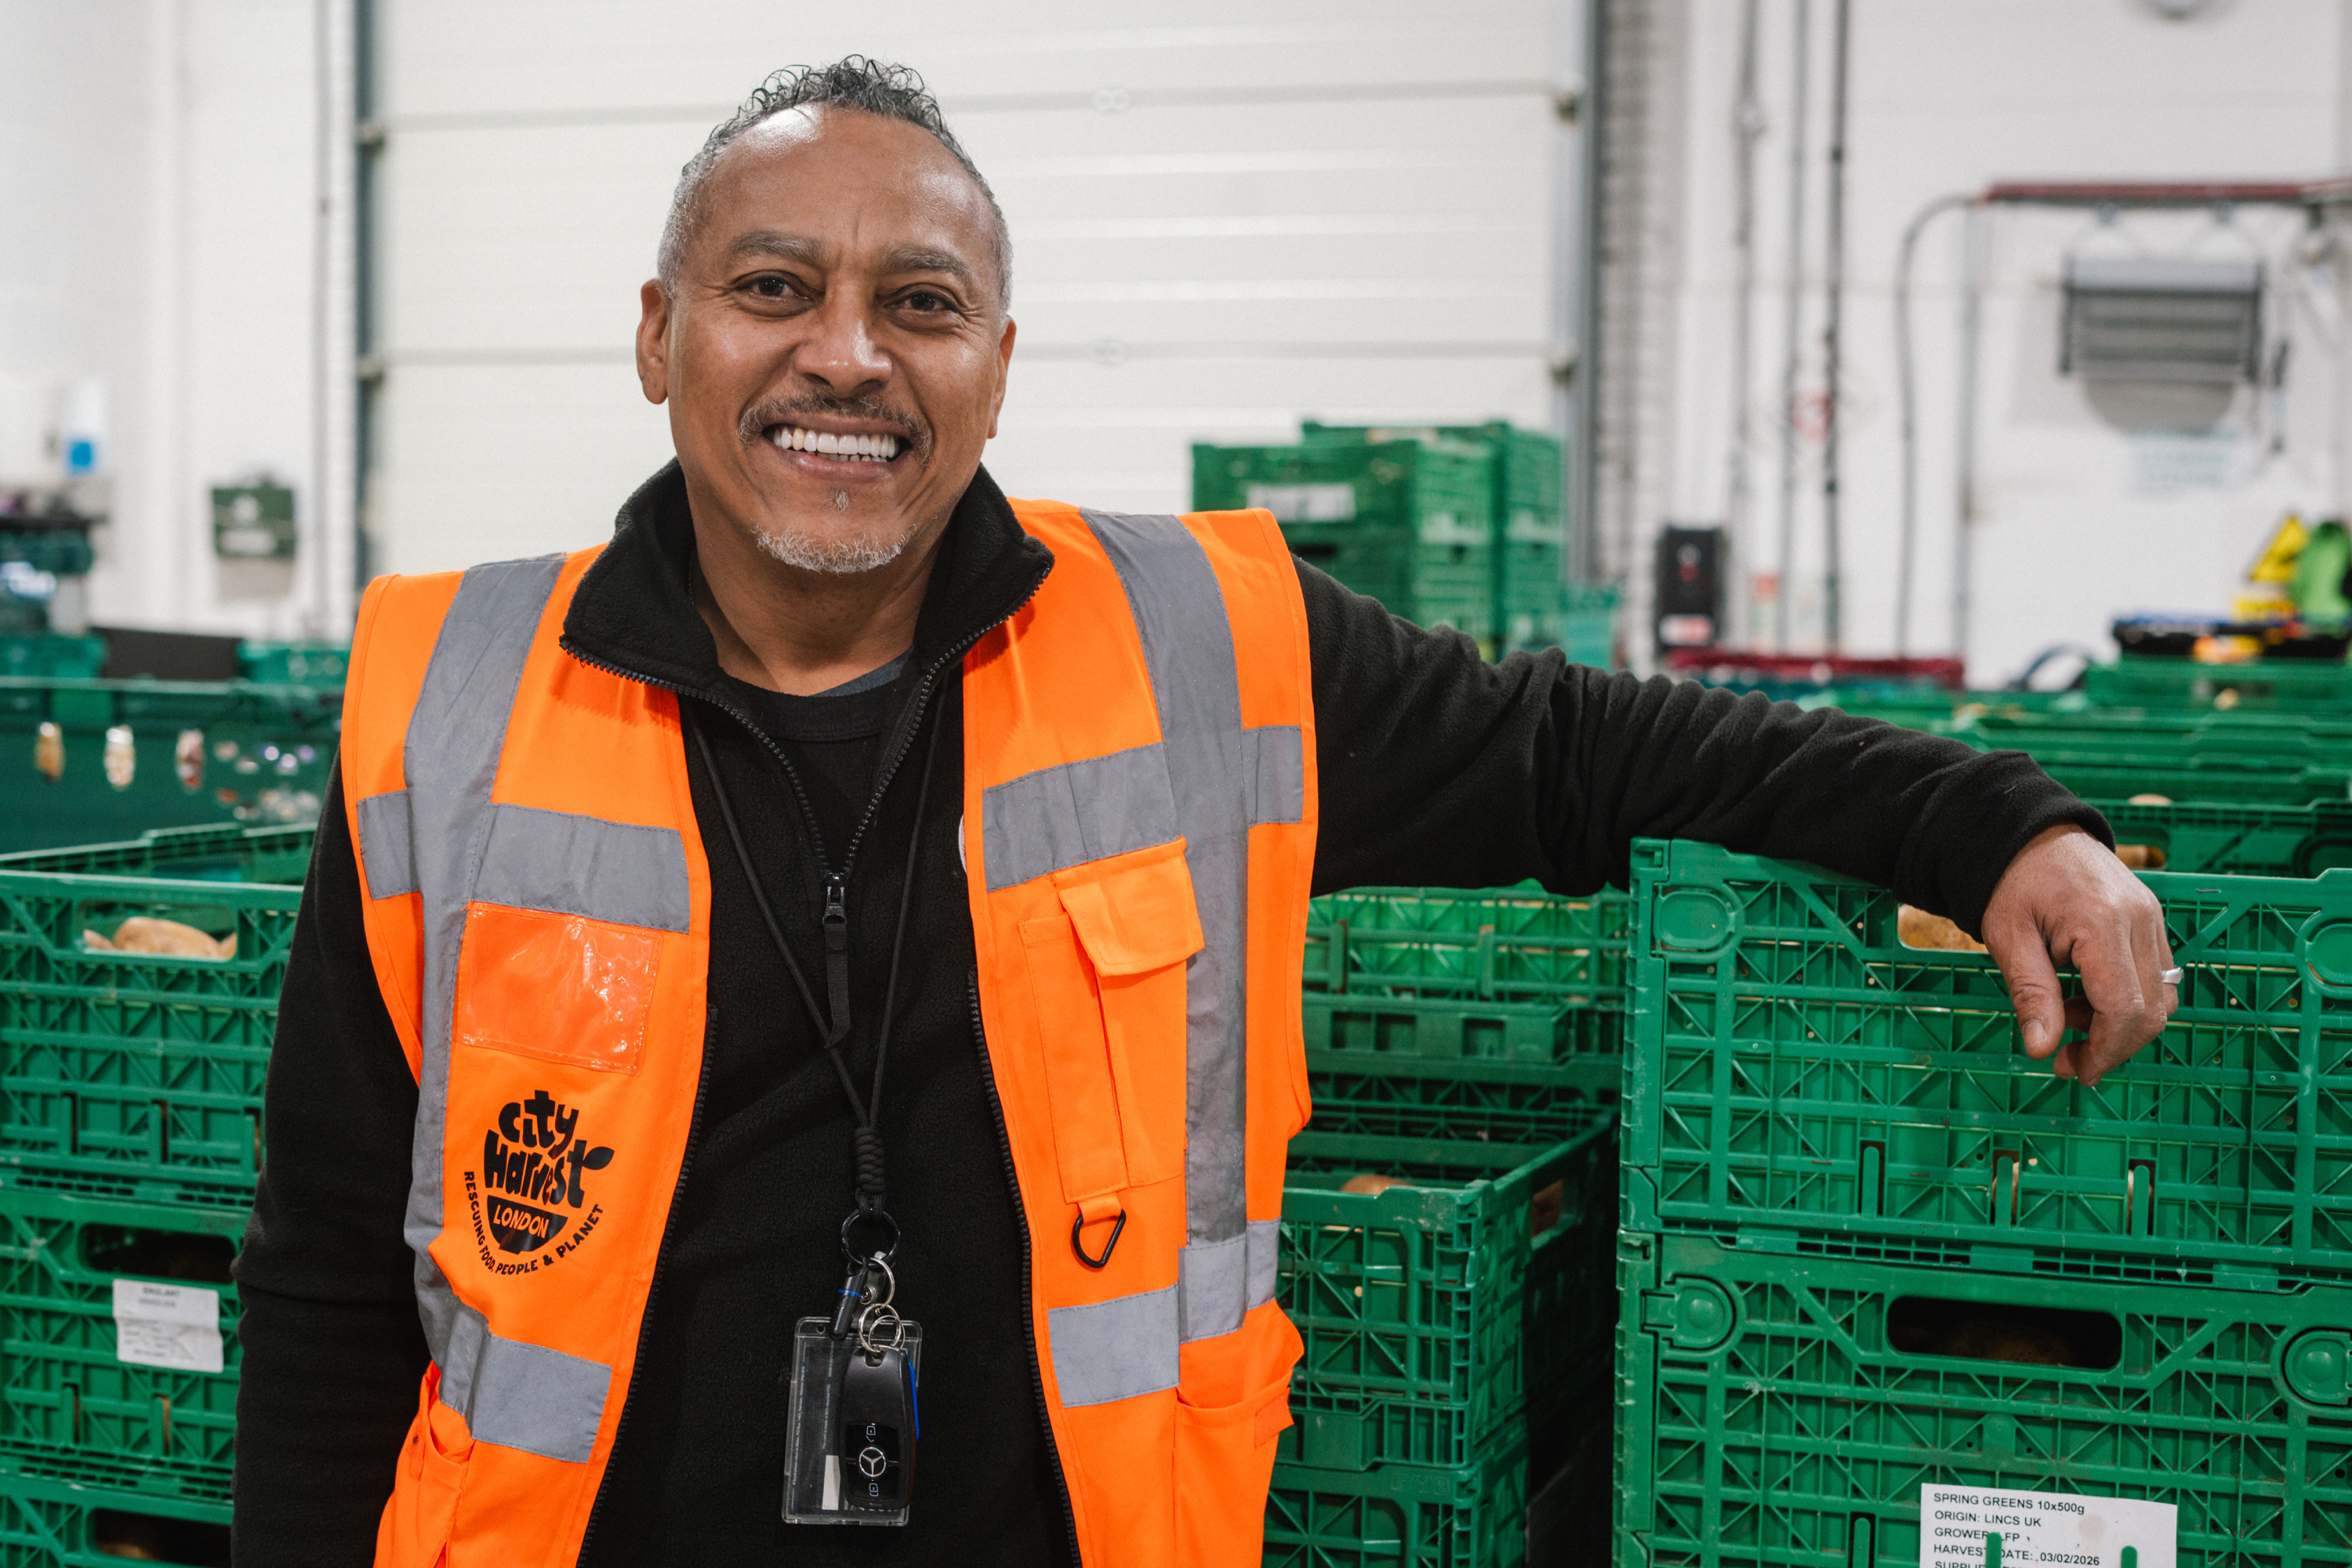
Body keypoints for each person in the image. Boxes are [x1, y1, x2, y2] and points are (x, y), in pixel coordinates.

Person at [232, 56, 2174, 1568]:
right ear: (661, 337)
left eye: (921, 299)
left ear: (997, 363)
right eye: (772, 289)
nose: (847, 352)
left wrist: (1991, 821)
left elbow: (1599, 754)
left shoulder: (1204, 642)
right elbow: (330, 1260)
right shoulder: (455, 693)